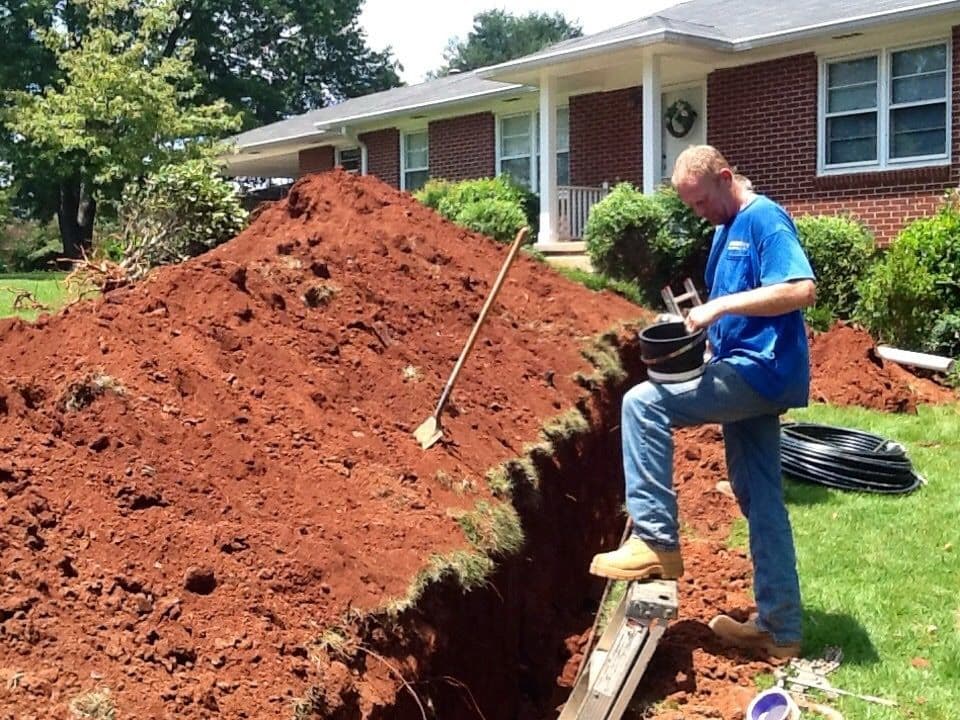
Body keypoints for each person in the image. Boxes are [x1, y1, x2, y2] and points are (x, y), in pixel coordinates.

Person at [589, 145, 816, 659]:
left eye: (700, 202)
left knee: (642, 404)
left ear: (725, 178)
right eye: (691, 207)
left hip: (763, 370)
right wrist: (702, 341)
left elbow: (801, 290)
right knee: (760, 497)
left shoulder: (764, 219)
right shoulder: (722, 232)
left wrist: (718, 306)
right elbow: (732, 315)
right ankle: (780, 631)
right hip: (742, 365)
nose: (699, 213)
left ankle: (655, 541)